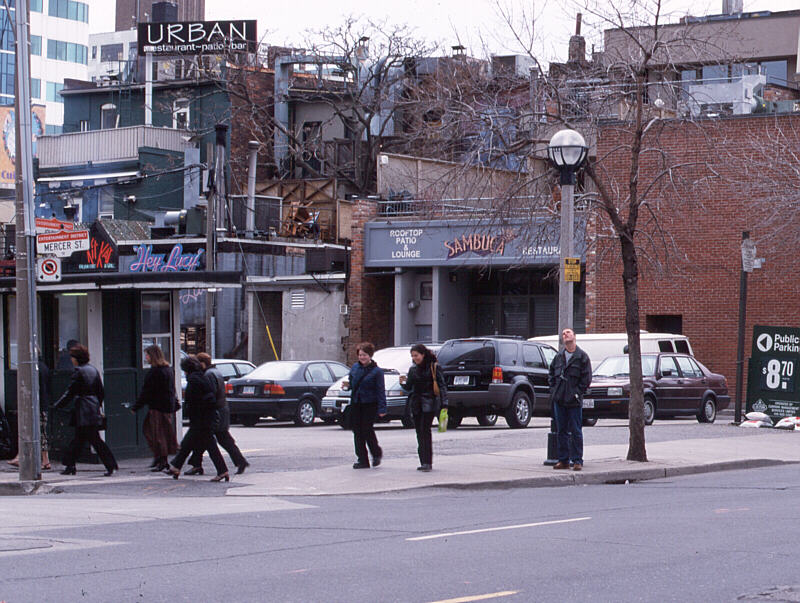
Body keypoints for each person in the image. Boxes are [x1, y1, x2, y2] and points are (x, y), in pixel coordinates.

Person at [53, 345, 118, 476]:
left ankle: (108, 464)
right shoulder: (93, 370)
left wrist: (57, 405)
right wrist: (97, 405)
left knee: (88, 439)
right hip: (92, 408)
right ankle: (71, 465)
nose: (71, 359)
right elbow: (101, 391)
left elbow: (70, 392)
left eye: (72, 357)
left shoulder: (78, 372)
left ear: (76, 359)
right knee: (83, 439)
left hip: (82, 409)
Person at [165, 356, 229, 482]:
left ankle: (222, 470)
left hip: (201, 419)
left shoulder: (194, 380)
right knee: (190, 444)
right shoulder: (201, 377)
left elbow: (194, 400)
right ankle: (176, 466)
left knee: (200, 445)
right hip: (205, 418)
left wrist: (191, 410)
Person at [185, 353, 249, 476]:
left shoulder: (208, 375)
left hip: (216, 412)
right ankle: (197, 463)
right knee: (218, 438)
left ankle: (197, 464)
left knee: (208, 438)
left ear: (202, 363)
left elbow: (210, 394)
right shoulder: (215, 372)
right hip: (221, 410)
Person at [548, 328, 592, 471]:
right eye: (563, 334)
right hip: (560, 399)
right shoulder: (558, 357)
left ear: (574, 336)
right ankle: (563, 460)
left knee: (576, 430)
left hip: (574, 401)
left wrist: (577, 393)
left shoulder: (582, 357)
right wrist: (554, 391)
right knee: (561, 430)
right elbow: (551, 375)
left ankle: (577, 460)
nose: (565, 334)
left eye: (568, 332)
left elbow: (586, 379)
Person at [399, 343, 448, 472]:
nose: (415, 358)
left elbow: (442, 386)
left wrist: (445, 404)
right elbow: (409, 387)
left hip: (429, 403)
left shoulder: (434, 367)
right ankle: (423, 461)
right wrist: (403, 383)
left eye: (416, 355)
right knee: (419, 432)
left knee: (425, 430)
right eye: (413, 356)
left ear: (423, 354)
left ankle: (427, 462)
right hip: (416, 403)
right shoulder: (413, 369)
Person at [131, 345, 179, 472]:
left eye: (147, 355)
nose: (146, 357)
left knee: (156, 434)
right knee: (161, 433)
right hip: (167, 406)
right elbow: (172, 389)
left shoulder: (155, 372)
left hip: (157, 407)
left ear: (152, 356)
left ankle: (161, 460)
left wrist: (136, 407)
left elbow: (147, 392)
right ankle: (159, 458)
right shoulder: (167, 370)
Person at [345, 342, 385, 469]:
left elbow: (380, 390)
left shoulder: (377, 371)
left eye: (365, 355)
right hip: (356, 403)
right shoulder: (355, 368)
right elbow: (352, 383)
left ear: (370, 356)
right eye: (360, 355)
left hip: (370, 404)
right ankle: (362, 459)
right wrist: (347, 387)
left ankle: (376, 453)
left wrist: (382, 408)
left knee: (367, 430)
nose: (362, 357)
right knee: (357, 431)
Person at [7, 354, 51, 470]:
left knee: (37, 431)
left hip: (37, 404)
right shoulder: (43, 367)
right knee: (37, 431)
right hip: (42, 404)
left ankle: (44, 460)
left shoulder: (33, 368)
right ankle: (22, 456)